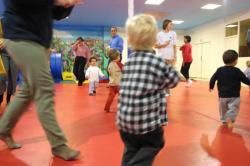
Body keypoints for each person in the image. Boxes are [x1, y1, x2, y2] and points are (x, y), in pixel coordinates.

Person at [0, 0, 81, 161]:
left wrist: (68, 4)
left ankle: (3, 128)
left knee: (28, 90)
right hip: (21, 37)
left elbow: (55, 13)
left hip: (38, 42)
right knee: (44, 89)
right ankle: (58, 145)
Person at [117, 14, 180, 166]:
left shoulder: (129, 62)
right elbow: (173, 80)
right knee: (154, 143)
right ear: (154, 41)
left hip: (124, 122)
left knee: (131, 148)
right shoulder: (156, 61)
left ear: (130, 40)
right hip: (146, 123)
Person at [209, 50, 250, 128]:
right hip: (234, 96)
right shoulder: (237, 71)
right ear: (235, 61)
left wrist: (211, 86)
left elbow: (213, 78)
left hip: (222, 96)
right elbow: (245, 80)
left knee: (222, 109)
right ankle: (230, 119)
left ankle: (224, 120)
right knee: (234, 108)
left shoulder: (219, 70)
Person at [155, 19, 177, 96]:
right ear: (166, 25)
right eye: (170, 24)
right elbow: (155, 46)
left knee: (168, 75)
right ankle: (161, 91)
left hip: (170, 56)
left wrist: (175, 56)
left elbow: (174, 46)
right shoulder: (159, 34)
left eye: (172, 24)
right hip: (162, 56)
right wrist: (163, 45)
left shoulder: (173, 33)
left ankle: (167, 92)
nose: (172, 26)